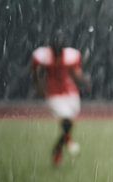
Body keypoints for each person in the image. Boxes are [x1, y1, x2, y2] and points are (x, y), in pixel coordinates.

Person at [31, 32, 89, 167]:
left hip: (70, 92)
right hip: (54, 93)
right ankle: (59, 149)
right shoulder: (43, 56)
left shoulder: (70, 56)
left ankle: (64, 143)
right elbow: (36, 73)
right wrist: (39, 87)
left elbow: (75, 73)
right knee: (67, 122)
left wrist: (84, 81)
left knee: (69, 123)